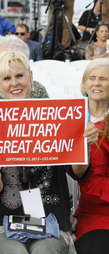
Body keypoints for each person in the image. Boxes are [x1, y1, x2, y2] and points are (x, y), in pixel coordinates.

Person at [0, 51, 96, 254]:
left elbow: (78, 172)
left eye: (19, 76)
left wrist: (84, 146)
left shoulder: (55, 116)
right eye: (6, 78)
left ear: (30, 77)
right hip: (0, 223)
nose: (14, 83)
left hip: (50, 223)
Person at [74, 58, 109, 254]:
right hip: (95, 214)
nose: (96, 83)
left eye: (103, 79)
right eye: (92, 78)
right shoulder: (69, 117)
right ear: (84, 84)